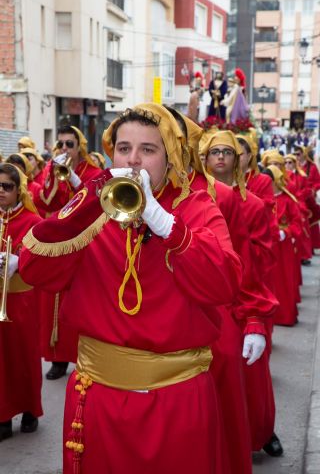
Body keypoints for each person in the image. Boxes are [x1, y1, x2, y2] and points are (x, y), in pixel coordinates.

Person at [18, 104, 243, 474]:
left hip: (177, 400)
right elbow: (35, 270)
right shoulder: (94, 209)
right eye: (124, 149)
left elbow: (224, 284)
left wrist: (167, 224)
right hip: (98, 399)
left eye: (148, 150)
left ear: (170, 158)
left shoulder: (198, 207)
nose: (133, 161)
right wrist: (87, 205)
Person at [199, 130, 283, 457]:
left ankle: (261, 432)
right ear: (203, 158)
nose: (220, 157)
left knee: (250, 373)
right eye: (214, 151)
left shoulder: (255, 204)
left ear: (238, 159)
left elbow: (261, 255)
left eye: (227, 152)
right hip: (208, 294)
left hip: (241, 294)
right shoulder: (196, 199)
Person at [38, 126, 102, 381]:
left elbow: (96, 202)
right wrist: (53, 175)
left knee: (82, 300)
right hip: (59, 242)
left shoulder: (94, 172)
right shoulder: (51, 170)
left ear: (80, 148)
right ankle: (58, 357)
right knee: (54, 300)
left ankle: (82, 356)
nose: (65, 149)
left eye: (70, 145)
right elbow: (44, 202)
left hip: (85, 243)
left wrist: (75, 179)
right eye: (61, 144)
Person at [0, 163, 42, 442]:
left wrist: (20, 259)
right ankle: (3, 415)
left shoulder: (32, 221)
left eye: (6, 186)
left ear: (19, 190)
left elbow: (41, 256)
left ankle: (29, 409)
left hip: (22, 297)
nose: (0, 192)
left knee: (24, 355)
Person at [264, 165, 302, 326]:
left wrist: (284, 233)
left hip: (283, 247)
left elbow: (297, 224)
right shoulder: (263, 200)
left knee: (285, 281)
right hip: (267, 245)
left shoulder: (288, 200)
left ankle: (286, 316)